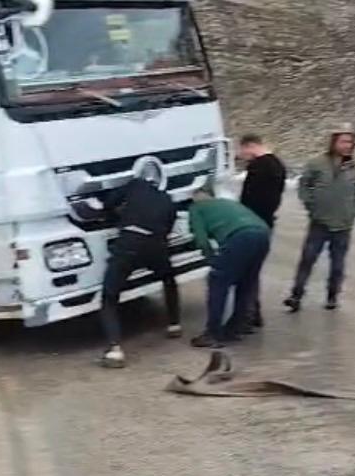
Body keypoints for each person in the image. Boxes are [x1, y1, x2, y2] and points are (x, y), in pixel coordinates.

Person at [96, 176, 182, 368]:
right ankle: (174, 324)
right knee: (169, 279)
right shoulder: (166, 198)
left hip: (129, 245)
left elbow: (108, 204)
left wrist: (115, 215)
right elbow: (168, 226)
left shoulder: (133, 185)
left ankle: (114, 350)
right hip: (156, 245)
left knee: (110, 296)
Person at [284, 124, 355, 312]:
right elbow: (304, 184)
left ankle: (332, 295)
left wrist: (354, 211)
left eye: (350, 142)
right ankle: (296, 295)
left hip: (343, 225)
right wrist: (310, 205)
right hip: (319, 222)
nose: (347, 145)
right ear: (334, 142)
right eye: (343, 141)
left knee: (337, 264)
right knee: (307, 259)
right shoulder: (317, 163)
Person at [187, 184, 272, 349]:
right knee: (247, 282)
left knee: (217, 282)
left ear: (197, 196)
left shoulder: (196, 208)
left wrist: (211, 260)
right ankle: (237, 328)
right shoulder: (227, 203)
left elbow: (202, 239)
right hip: (263, 233)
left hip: (239, 237)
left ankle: (212, 334)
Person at [236, 134, 287, 329]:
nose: (242, 155)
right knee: (254, 270)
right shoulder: (278, 165)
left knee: (247, 272)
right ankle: (254, 313)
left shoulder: (258, 167)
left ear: (250, 146)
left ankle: (247, 315)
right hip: (267, 223)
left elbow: (248, 198)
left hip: (252, 223)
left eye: (243, 151)